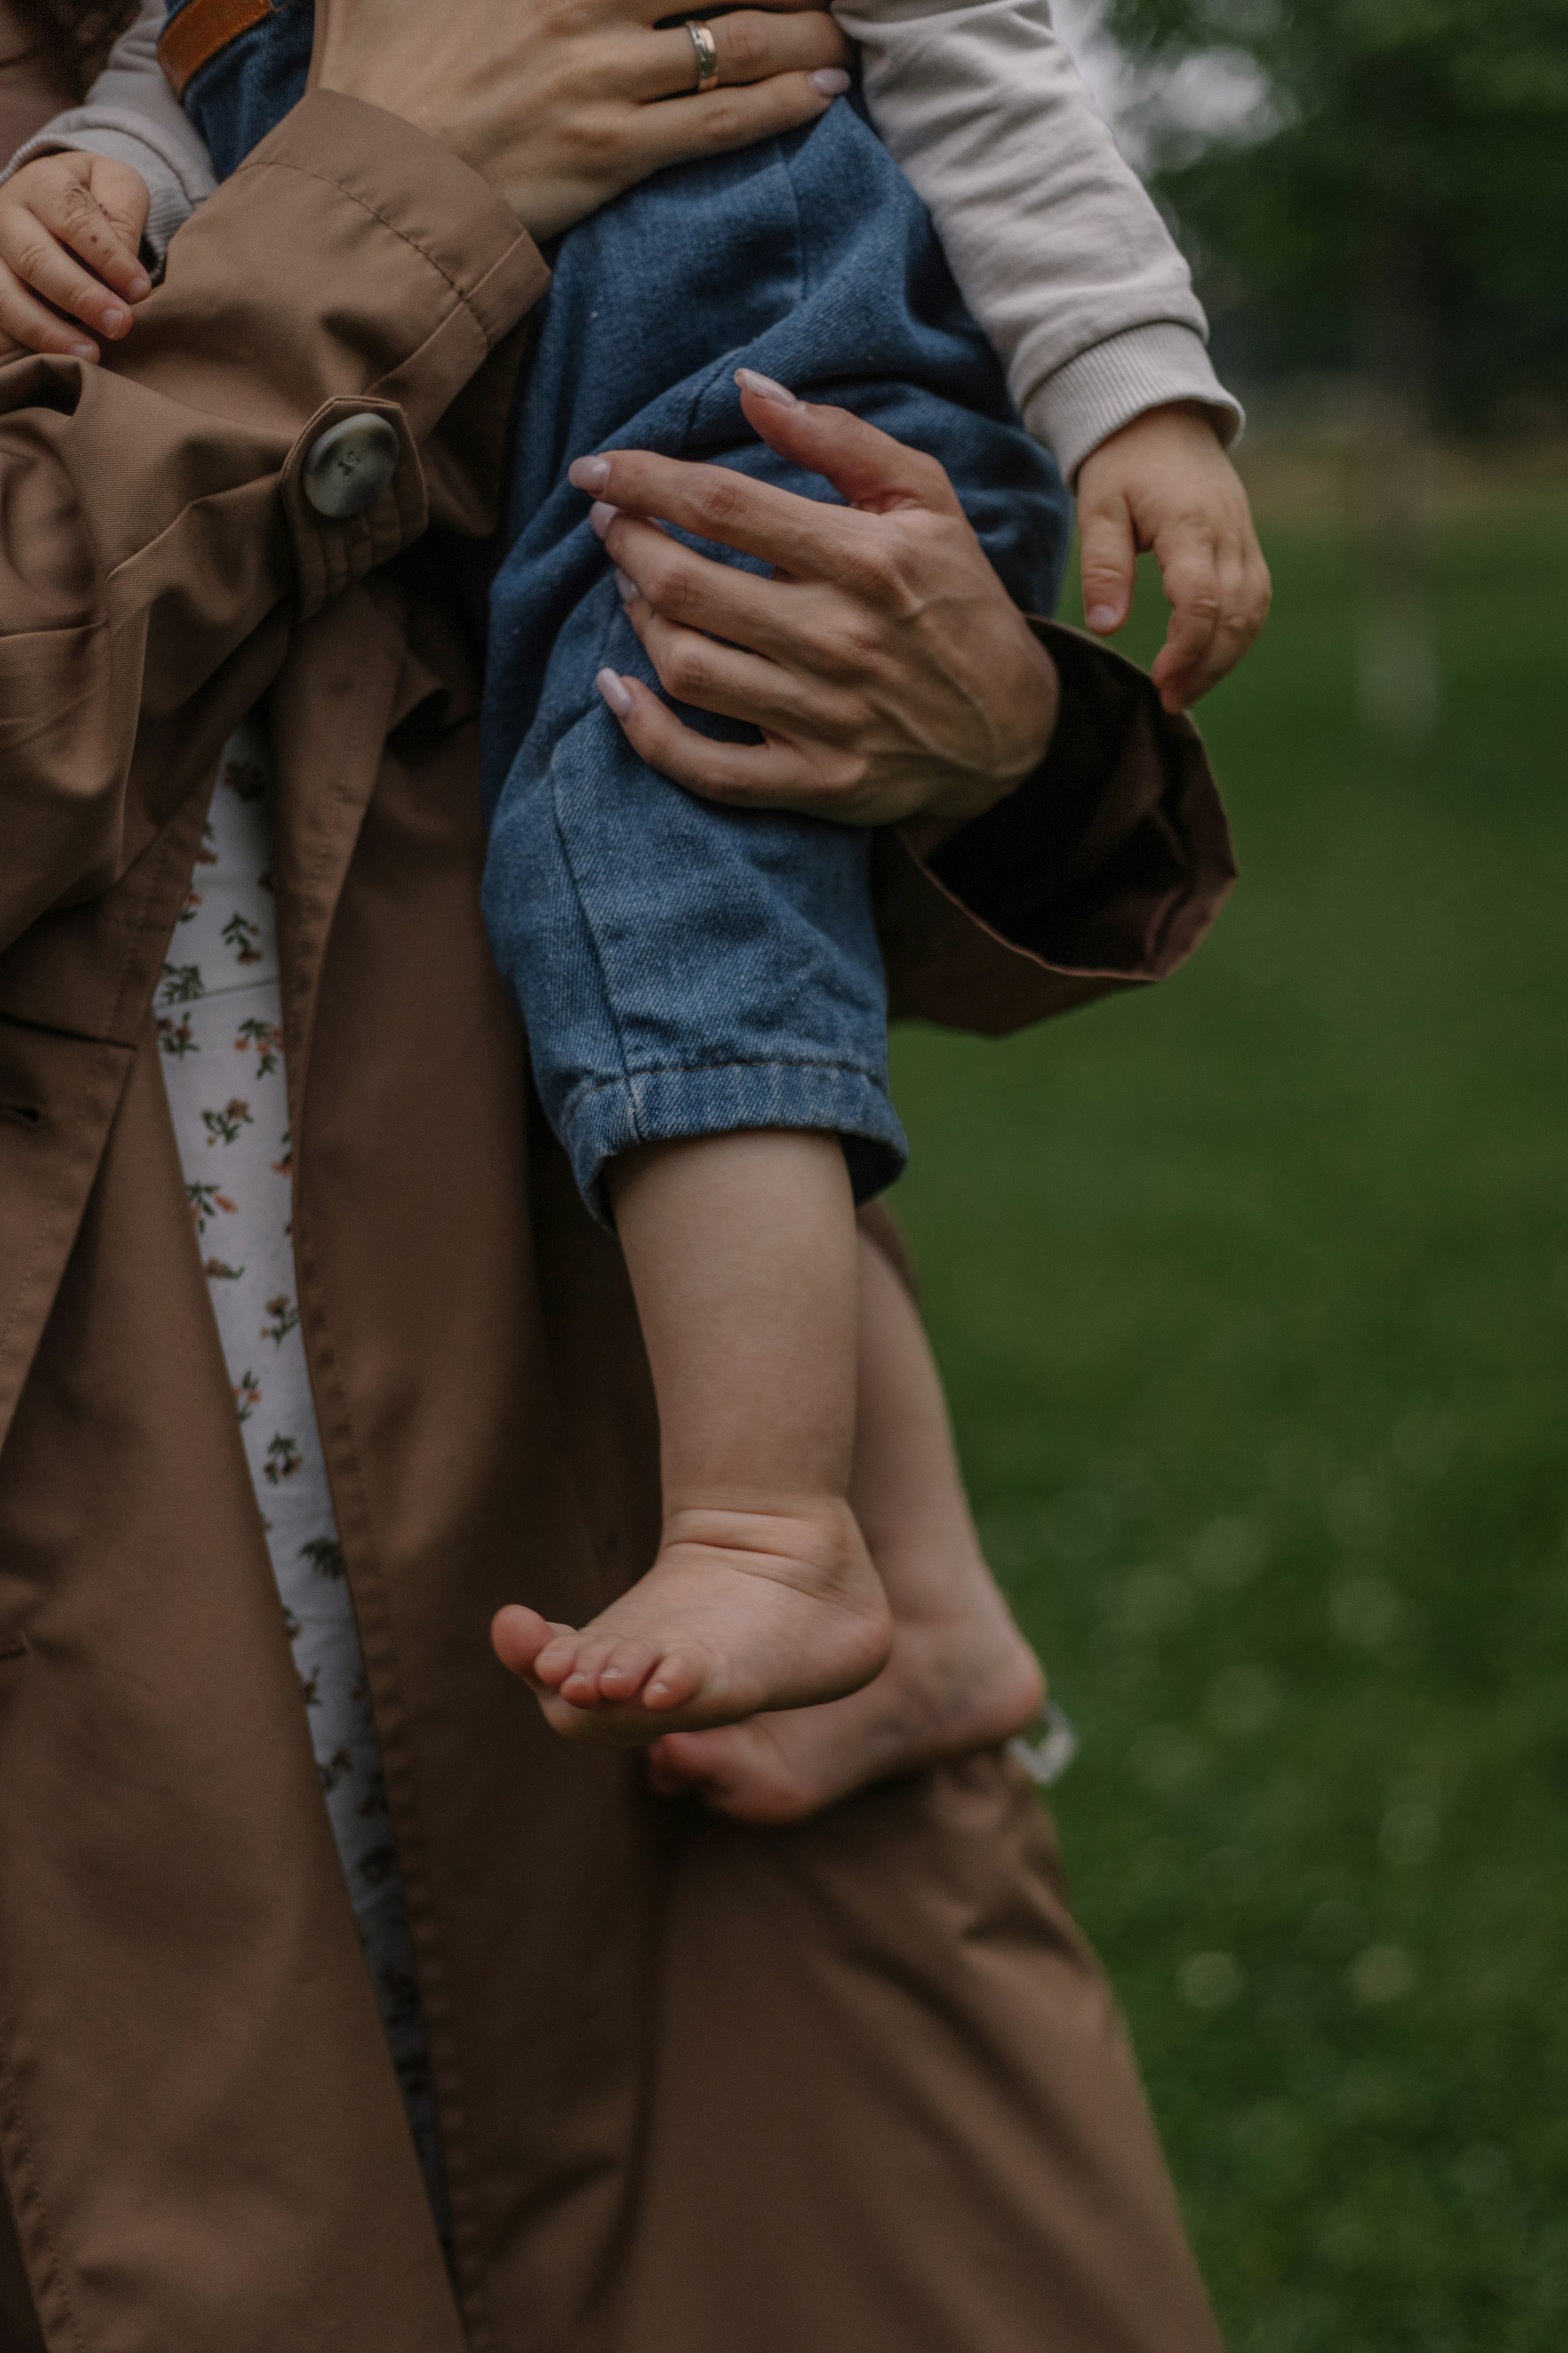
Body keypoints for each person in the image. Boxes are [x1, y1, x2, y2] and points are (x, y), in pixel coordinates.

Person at [1, 0, 1239, 2342]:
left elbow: (974, 72)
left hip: (586, 1461)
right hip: (175, 1560)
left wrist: (998, 712)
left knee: (655, 889)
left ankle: (846, 1540)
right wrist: (329, 192)